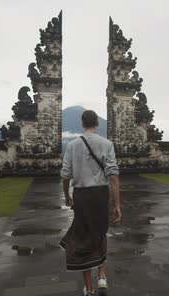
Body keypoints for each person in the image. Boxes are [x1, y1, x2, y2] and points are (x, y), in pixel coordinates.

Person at [59, 110, 121, 296]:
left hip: (81, 196)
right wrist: (117, 204)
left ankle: (89, 288)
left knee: (83, 237)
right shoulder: (107, 144)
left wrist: (66, 196)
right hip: (100, 196)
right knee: (99, 232)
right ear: (97, 123)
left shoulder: (72, 145)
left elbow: (65, 175)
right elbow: (113, 177)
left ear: (82, 123)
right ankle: (101, 274)